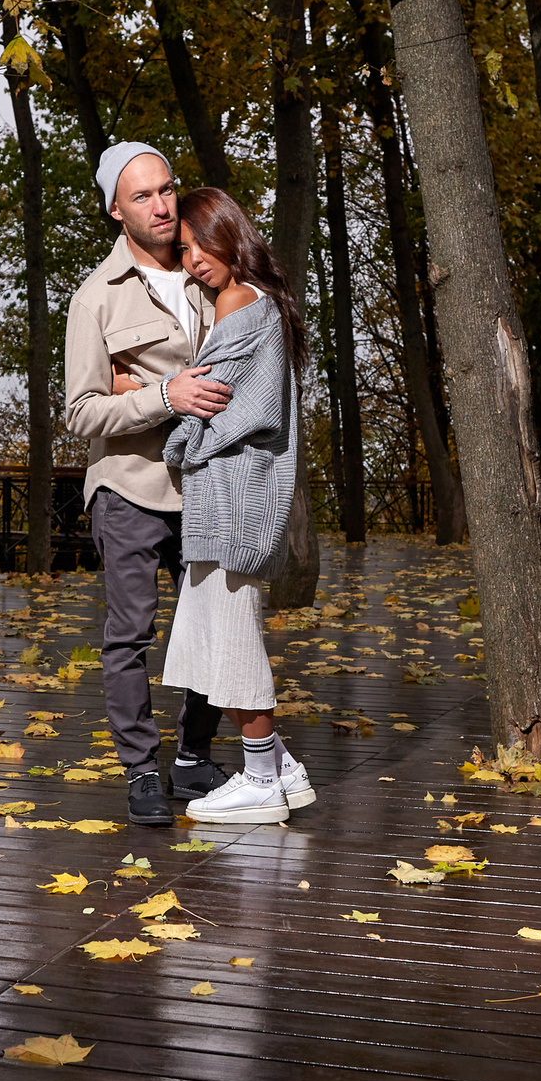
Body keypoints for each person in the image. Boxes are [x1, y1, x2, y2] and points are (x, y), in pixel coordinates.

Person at [63, 143, 234, 827]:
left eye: (167, 189)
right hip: (129, 486)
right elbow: (82, 410)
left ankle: (194, 756)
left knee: (213, 625)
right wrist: (163, 393)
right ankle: (140, 769)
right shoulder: (94, 299)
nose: (162, 205)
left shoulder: (210, 274)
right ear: (115, 209)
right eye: (143, 196)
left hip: (208, 485)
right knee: (130, 633)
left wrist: (152, 383)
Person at [157, 187, 314, 823]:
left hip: (235, 503)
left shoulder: (238, 302)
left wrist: (174, 434)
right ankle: (283, 767)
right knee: (203, 636)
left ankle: (259, 779)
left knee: (230, 637)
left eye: (202, 243)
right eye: (185, 249)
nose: (194, 259)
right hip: (226, 501)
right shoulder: (261, 303)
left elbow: (230, 408)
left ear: (230, 233)